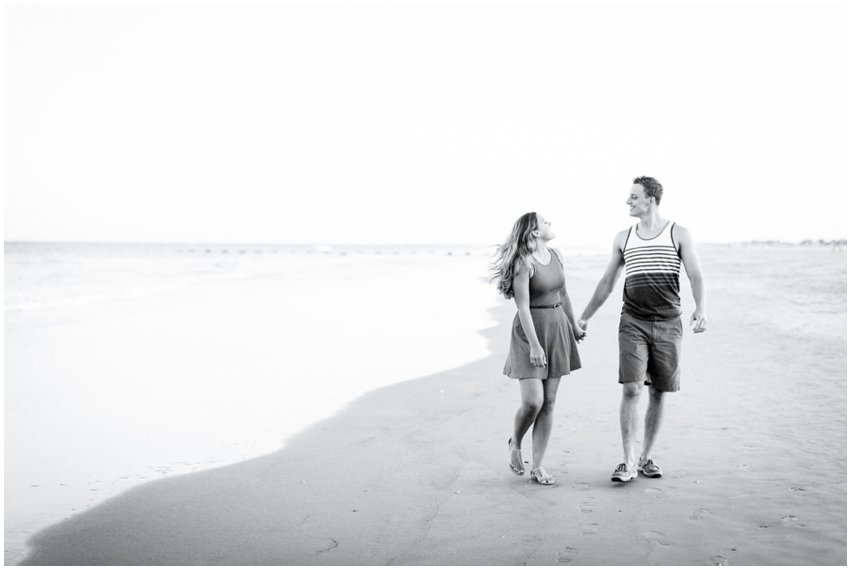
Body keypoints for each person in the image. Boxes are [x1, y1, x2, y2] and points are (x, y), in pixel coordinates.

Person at [577, 176, 707, 483]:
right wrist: (584, 317)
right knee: (632, 388)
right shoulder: (623, 238)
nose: (628, 201)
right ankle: (628, 461)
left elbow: (696, 275)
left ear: (651, 199)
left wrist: (701, 308)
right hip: (633, 321)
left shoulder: (679, 233)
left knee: (659, 392)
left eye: (634, 196)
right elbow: (607, 283)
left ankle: (647, 456)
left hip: (668, 323)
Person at [490, 212, 584, 485]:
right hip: (530, 331)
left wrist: (574, 326)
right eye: (545, 222)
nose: (550, 223)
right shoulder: (524, 262)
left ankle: (539, 466)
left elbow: (563, 295)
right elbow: (522, 306)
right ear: (533, 231)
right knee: (534, 401)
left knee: (550, 402)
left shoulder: (556, 255)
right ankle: (515, 444)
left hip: (557, 328)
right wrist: (534, 344)